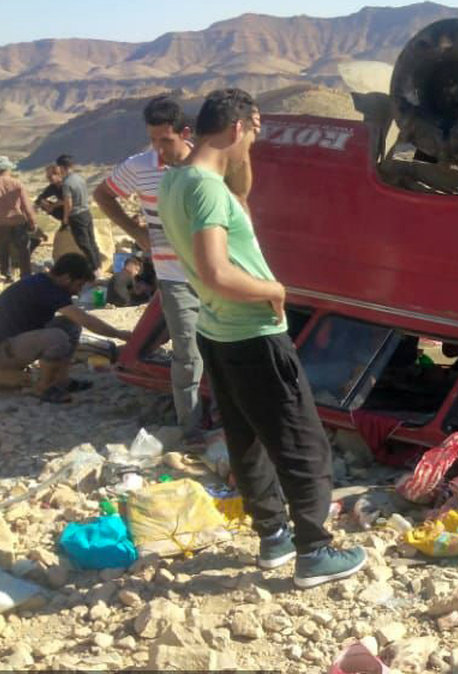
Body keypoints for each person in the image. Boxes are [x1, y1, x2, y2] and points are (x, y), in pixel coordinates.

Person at [159, 88, 365, 588]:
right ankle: (315, 550)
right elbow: (215, 271)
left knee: (246, 437)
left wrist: (240, 157)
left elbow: (241, 198)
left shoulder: (176, 181)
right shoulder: (207, 189)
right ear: (237, 127)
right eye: (253, 133)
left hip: (217, 331)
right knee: (302, 442)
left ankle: (273, 537)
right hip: (253, 330)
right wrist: (274, 288)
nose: (254, 143)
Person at [94, 95, 210, 443]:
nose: (158, 149)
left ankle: (227, 421)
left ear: (184, 133)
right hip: (174, 277)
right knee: (187, 353)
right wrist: (137, 234)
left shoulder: (207, 164)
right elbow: (103, 195)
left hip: (216, 276)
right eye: (153, 140)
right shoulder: (140, 166)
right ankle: (191, 429)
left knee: (222, 349)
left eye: (166, 140)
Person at [0, 253, 132, 403]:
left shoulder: (44, 283)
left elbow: (76, 320)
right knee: (57, 337)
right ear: (66, 278)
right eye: (78, 285)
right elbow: (86, 320)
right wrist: (119, 334)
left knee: (70, 325)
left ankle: (61, 381)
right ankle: (43, 387)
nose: (78, 291)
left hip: (10, 345)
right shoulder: (47, 289)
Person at [0, 156, 37, 282]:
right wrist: (32, 221)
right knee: (23, 251)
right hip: (18, 222)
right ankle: (26, 276)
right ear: (7, 168)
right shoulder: (17, 184)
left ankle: (6, 275)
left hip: (0, 223)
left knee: (2, 250)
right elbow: (26, 205)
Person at [55, 154, 100, 274]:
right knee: (92, 241)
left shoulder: (67, 183)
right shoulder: (80, 178)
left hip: (76, 216)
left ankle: (95, 270)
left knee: (84, 244)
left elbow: (68, 203)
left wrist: (65, 219)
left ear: (61, 167)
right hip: (86, 212)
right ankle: (98, 265)